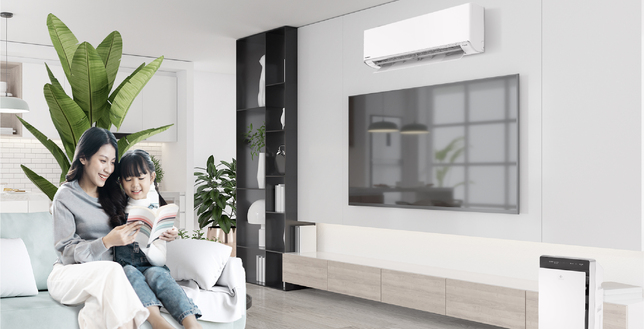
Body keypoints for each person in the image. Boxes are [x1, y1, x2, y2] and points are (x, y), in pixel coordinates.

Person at [47, 127, 149, 329]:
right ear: (83, 158)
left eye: (112, 163)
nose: (109, 169)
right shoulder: (65, 196)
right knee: (112, 270)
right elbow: (67, 254)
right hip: (68, 274)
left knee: (98, 307)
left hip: (107, 279)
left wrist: (161, 233)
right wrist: (106, 242)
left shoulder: (114, 193)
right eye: (103, 161)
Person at [115, 149, 202, 329]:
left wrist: (163, 237)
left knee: (158, 274)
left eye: (140, 178)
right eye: (128, 179)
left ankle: (191, 323)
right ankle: (157, 321)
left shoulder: (159, 208)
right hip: (127, 266)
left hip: (153, 264)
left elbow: (160, 257)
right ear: (121, 181)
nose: (135, 184)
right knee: (130, 273)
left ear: (152, 177)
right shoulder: (116, 207)